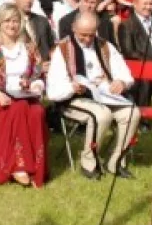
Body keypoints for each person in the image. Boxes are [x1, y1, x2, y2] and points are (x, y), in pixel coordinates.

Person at [47, 12, 140, 180]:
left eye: (92, 34)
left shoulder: (105, 46)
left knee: (133, 113)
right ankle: (89, 162)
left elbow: (126, 75)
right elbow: (53, 90)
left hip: (106, 95)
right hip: (74, 99)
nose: (88, 39)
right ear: (74, 29)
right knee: (101, 115)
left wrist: (121, 82)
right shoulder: (62, 50)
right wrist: (72, 87)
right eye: (83, 35)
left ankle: (116, 161)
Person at [0, 5, 48, 188]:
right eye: (8, 21)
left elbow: (38, 75)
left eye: (16, 20)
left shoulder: (28, 46)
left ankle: (36, 167)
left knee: (37, 113)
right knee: (17, 108)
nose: (12, 25)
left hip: (25, 95)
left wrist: (33, 86)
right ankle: (19, 166)